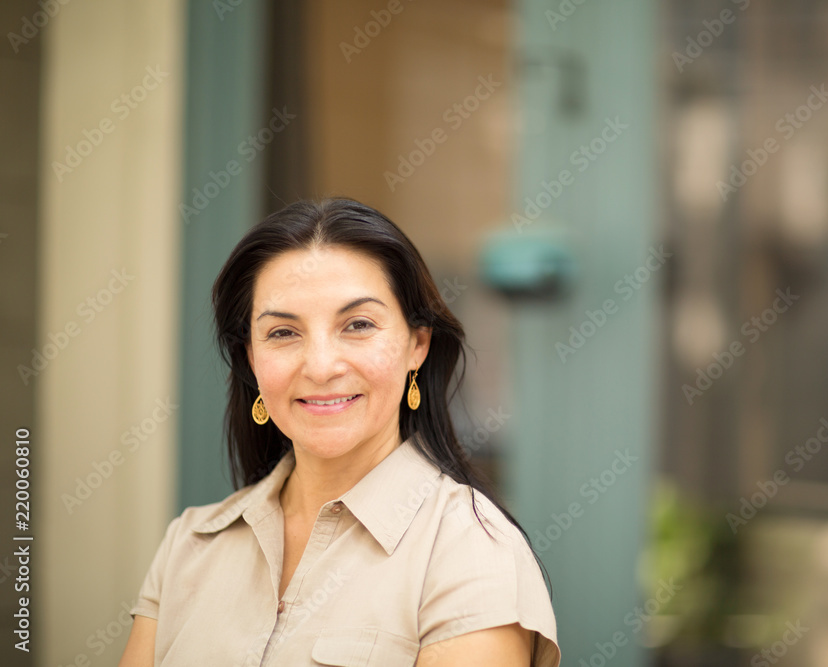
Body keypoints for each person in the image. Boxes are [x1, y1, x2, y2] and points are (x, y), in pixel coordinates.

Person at [119, 197, 560, 666]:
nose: (322, 366)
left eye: (358, 324)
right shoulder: (189, 545)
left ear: (418, 344)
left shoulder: (469, 550)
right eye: (283, 333)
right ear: (251, 359)